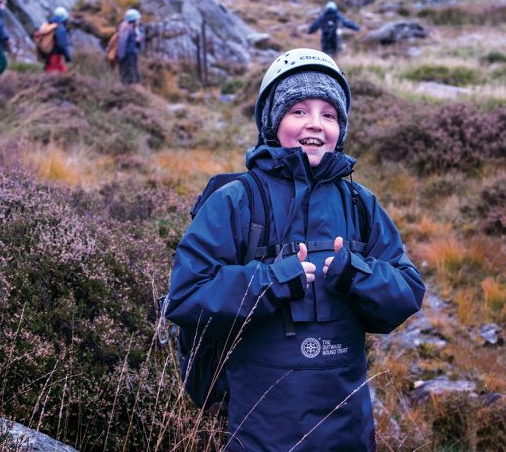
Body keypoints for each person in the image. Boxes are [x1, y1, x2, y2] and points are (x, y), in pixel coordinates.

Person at [166, 48, 425, 451]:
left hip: (347, 428)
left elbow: (407, 291)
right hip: (257, 427)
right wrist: (268, 281)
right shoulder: (236, 201)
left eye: (329, 114)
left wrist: (356, 274)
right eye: (299, 111)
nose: (316, 125)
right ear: (272, 121)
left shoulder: (360, 204)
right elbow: (186, 296)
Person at [117, 8, 142, 84]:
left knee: (134, 74)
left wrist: (137, 41)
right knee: (128, 74)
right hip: (127, 54)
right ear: (133, 20)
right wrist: (136, 40)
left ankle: (135, 88)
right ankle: (127, 91)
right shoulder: (126, 28)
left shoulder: (133, 28)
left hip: (132, 54)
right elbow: (123, 42)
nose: (139, 21)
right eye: (137, 19)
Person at [45, 7, 71, 74]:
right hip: (56, 57)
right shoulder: (60, 28)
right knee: (61, 75)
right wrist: (67, 56)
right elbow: (62, 44)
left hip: (48, 57)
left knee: (50, 73)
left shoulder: (50, 24)